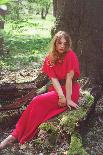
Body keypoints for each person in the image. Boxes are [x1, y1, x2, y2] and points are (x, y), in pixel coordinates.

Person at [0, 31, 80, 149]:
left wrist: (67, 98)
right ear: (55, 44)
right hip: (57, 89)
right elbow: (54, 79)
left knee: (37, 101)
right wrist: (61, 96)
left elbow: (69, 79)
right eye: (59, 43)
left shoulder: (70, 55)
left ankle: (15, 135)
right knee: (35, 104)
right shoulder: (50, 58)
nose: (62, 46)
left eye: (65, 43)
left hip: (70, 90)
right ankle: (14, 135)